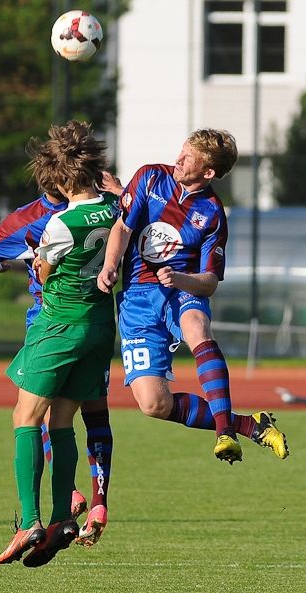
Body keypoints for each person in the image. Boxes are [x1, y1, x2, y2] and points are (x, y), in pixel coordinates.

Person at [97, 129, 289, 464]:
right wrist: (111, 266)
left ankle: (224, 434)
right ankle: (246, 424)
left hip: (181, 291)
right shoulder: (151, 177)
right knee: (153, 404)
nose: (179, 159)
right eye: (182, 151)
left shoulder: (212, 213)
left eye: (189, 157)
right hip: (137, 300)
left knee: (197, 326)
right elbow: (124, 227)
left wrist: (180, 279)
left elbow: (210, 282)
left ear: (209, 172)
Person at [0, 168, 122, 548]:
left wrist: (1, 265)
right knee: (77, 416)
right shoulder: (114, 205)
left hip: (54, 322)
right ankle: (72, 512)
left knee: (27, 415)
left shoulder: (42, 221)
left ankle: (32, 520)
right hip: (100, 323)